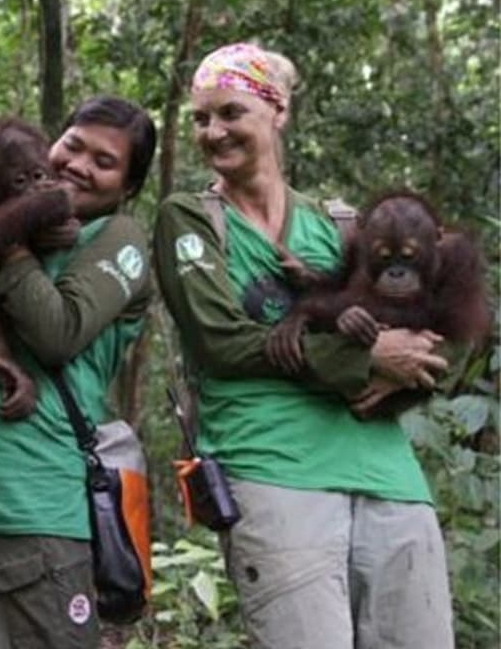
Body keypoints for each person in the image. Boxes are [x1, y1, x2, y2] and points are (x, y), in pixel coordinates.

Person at [152, 42, 455, 648]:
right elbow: (220, 342)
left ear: (279, 111)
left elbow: (433, 328)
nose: (213, 131)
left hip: (389, 475)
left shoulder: (342, 225)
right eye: (201, 118)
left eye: (231, 112)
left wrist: (406, 358)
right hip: (272, 469)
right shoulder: (192, 219)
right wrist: (367, 357)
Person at [0, 96, 158, 647]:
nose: (78, 166)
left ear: (128, 186)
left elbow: (58, 333)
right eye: (73, 146)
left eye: (104, 162)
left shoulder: (116, 237)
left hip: (32, 505)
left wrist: (10, 246)